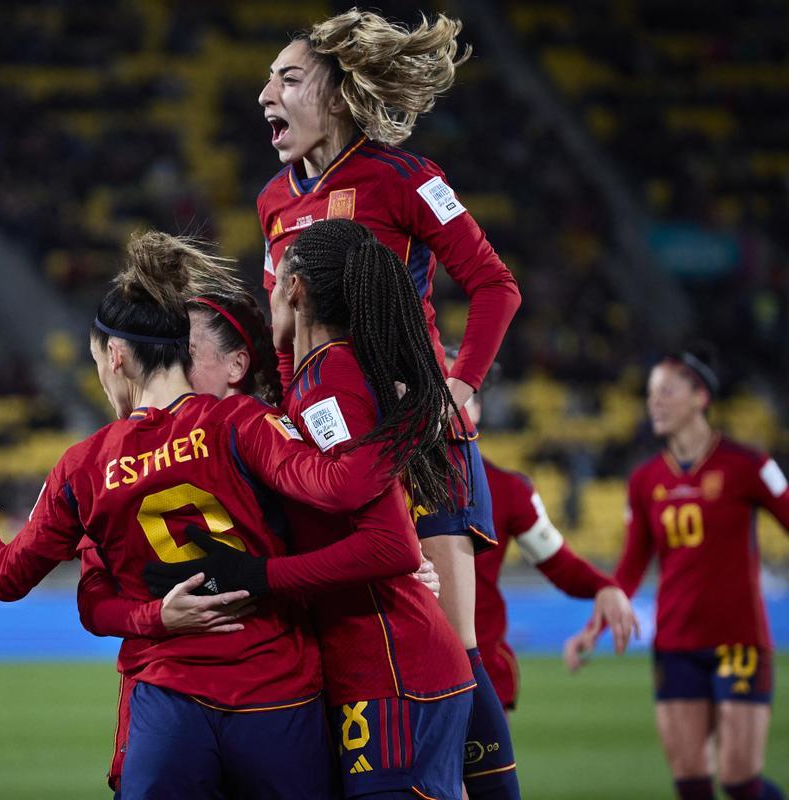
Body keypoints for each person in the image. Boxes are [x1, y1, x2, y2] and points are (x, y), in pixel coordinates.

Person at [0, 231, 436, 799]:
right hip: (277, 692)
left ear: (117, 356)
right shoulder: (246, 423)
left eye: (97, 362)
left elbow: (5, 576)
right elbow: (331, 491)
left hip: (169, 704)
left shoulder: (84, 466)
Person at [255, 11, 522, 798]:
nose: (266, 93)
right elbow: (281, 333)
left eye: (289, 78)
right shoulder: (273, 201)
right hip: (333, 451)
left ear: (337, 97)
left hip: (416, 442)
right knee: (354, 645)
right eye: (268, 79)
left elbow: (495, 285)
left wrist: (460, 388)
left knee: (452, 644)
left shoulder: (407, 178)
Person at [78, 286, 445, 793]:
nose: (169, 364)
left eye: (184, 353)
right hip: (192, 708)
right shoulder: (122, 462)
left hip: (294, 695)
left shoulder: (277, 439)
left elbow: (370, 541)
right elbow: (95, 597)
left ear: (236, 366)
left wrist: (391, 571)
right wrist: (155, 618)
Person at [565, 351, 789, 800]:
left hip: (738, 640)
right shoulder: (645, 479)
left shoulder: (749, 465)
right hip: (676, 643)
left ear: (700, 396)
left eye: (666, 391)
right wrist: (595, 627)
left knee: (739, 779)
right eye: (650, 395)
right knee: (691, 782)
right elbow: (630, 565)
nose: (655, 403)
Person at [449, 349, 637, 718]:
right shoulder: (390, 481)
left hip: (481, 671)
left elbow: (556, 562)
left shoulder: (508, 489)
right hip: (407, 672)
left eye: (462, 395)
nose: (452, 406)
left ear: (478, 410)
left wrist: (603, 586)